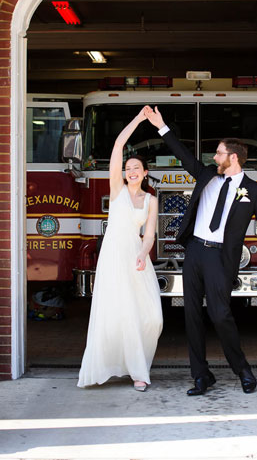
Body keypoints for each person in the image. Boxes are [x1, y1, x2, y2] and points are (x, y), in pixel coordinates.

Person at [143, 105, 257, 396]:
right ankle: (201, 375)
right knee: (192, 315)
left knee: (221, 314)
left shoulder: (254, 190)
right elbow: (183, 155)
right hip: (194, 251)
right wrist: (161, 127)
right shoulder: (206, 174)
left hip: (221, 257)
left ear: (233, 158)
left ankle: (242, 369)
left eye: (219, 153)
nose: (214, 157)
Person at [78, 110, 163, 392]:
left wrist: (143, 253)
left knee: (152, 317)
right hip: (113, 256)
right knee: (118, 313)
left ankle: (138, 366)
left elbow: (149, 234)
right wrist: (139, 120)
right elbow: (117, 146)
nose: (131, 171)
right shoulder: (117, 190)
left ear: (145, 172)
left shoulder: (151, 200)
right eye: (128, 168)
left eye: (136, 167)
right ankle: (135, 372)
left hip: (136, 257)